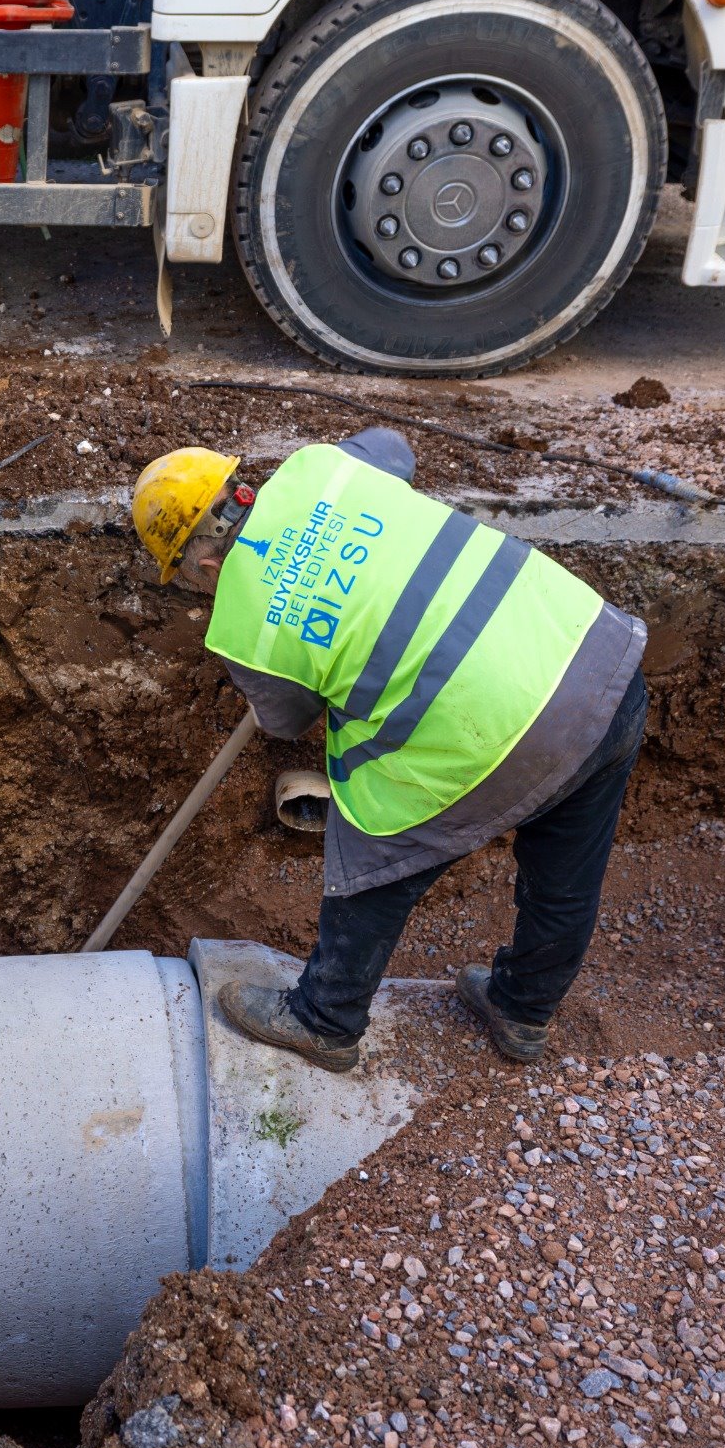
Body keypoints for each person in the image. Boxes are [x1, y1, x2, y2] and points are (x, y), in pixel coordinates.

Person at [131, 428, 646, 1069]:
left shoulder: (242, 628)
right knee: (566, 872)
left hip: (497, 729)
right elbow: (391, 446)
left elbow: (287, 721)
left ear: (204, 566)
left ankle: (325, 1019)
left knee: (372, 824)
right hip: (597, 659)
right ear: (242, 488)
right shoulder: (324, 468)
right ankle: (523, 1010)